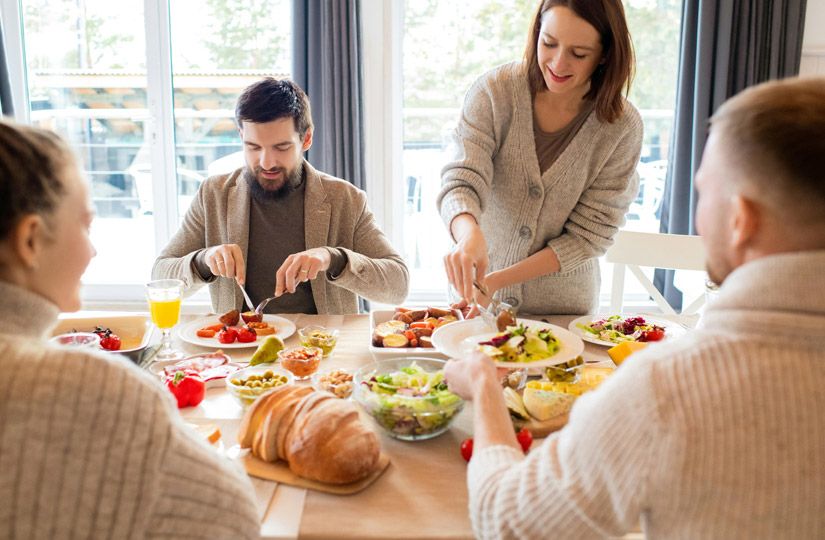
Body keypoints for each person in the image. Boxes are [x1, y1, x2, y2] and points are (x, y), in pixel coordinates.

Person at [444, 77, 825, 538]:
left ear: (740, 221)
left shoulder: (664, 389)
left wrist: (485, 384)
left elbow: (507, 521)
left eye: (703, 193)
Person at [0, 120, 259, 538]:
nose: (93, 249)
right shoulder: (98, 390)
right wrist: (202, 260)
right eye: (85, 225)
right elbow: (236, 520)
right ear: (30, 240)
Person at [439, 0, 642, 315]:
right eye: (548, 44)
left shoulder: (622, 127)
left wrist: (498, 280)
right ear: (536, 34)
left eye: (578, 54)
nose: (558, 64)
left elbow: (589, 236)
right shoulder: (495, 93)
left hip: (564, 314)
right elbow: (461, 180)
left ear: (604, 55)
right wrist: (468, 233)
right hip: (476, 303)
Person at [153, 78, 408, 315]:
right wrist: (203, 260)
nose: (267, 162)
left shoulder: (346, 199)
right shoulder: (213, 195)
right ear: (241, 137)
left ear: (306, 139)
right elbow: (159, 278)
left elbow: (398, 286)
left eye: (282, 147)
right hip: (241, 353)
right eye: (253, 147)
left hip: (323, 351)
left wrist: (334, 259)